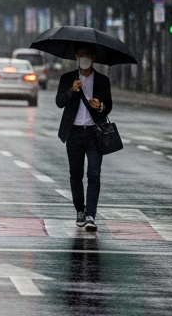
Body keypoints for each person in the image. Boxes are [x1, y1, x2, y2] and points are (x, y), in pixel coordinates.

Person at [55, 44, 114, 233]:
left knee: (94, 174)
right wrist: (72, 91)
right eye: (81, 55)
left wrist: (100, 106)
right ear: (76, 57)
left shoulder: (103, 80)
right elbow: (59, 102)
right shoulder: (67, 78)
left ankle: (90, 215)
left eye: (87, 55)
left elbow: (109, 106)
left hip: (94, 133)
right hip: (74, 132)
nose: (84, 58)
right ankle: (80, 209)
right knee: (76, 174)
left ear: (94, 58)